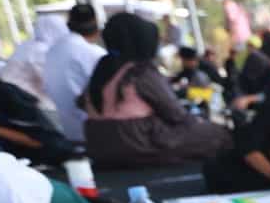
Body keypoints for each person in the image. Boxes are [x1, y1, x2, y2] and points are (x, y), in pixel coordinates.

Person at [80, 12, 231, 169]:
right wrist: (200, 123)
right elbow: (175, 114)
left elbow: (81, 103)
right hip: (136, 143)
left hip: (98, 145)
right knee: (218, 134)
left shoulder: (101, 68)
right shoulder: (140, 70)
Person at [43, 4, 105, 145]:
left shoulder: (53, 51)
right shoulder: (93, 53)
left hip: (66, 130)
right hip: (93, 131)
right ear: (96, 24)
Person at [0, 13, 68, 105]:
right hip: (21, 98)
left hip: (10, 95)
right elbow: (51, 81)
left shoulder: (27, 45)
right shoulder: (40, 50)